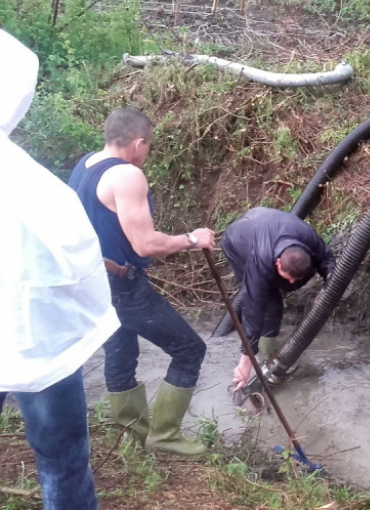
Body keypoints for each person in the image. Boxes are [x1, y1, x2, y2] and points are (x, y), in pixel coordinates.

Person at [0, 29, 120, 509]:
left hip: (35, 330)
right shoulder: (25, 181)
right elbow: (71, 255)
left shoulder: (52, 172)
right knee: (63, 456)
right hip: (39, 335)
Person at [68, 108, 216, 456]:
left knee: (121, 355)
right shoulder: (127, 176)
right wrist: (192, 239)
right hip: (123, 287)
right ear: (137, 142)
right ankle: (165, 436)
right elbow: (146, 244)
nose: (146, 154)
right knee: (190, 350)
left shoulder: (85, 164)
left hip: (93, 282)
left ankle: (132, 438)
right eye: (147, 146)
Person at [211, 207, 335, 391]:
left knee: (273, 302)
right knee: (269, 305)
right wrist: (246, 361)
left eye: (296, 280)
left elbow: (327, 258)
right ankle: (268, 362)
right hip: (237, 241)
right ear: (278, 263)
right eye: (288, 277)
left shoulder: (309, 239)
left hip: (265, 222)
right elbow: (253, 308)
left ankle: (272, 359)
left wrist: (332, 275)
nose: (292, 283)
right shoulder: (260, 261)